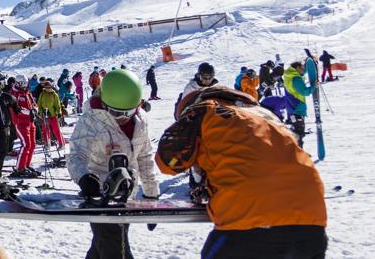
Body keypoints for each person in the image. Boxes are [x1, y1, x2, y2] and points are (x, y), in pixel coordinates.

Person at [156, 85, 328, 258]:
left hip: (249, 217)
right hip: (311, 216)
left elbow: (167, 162)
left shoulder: (204, 109)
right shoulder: (265, 114)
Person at [68, 68, 160, 259]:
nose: (123, 118)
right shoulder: (91, 120)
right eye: (117, 113)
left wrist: (152, 197)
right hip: (99, 196)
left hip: (127, 195)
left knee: (103, 244)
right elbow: (77, 154)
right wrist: (84, 178)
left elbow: (144, 157)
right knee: (116, 249)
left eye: (127, 113)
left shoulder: (140, 120)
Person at [283, 61, 312, 146]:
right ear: (297, 68)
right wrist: (314, 86)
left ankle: (295, 154)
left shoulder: (288, 76)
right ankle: (298, 156)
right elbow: (304, 92)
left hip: (291, 108)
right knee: (299, 134)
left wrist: (309, 63)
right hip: (297, 108)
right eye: (302, 68)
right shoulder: (296, 79)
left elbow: (301, 74)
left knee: (295, 133)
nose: (303, 70)